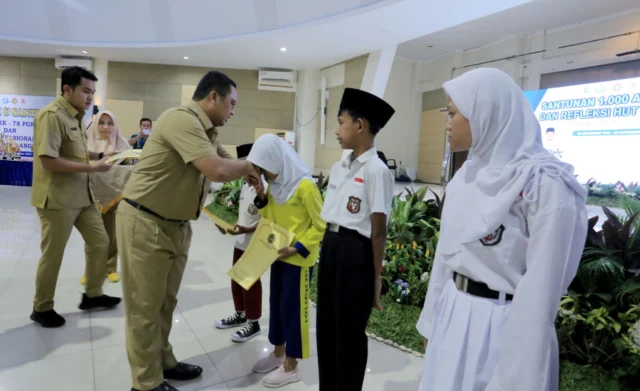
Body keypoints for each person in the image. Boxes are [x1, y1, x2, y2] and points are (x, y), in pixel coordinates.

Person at [416, 68, 588, 391]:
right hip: (453, 315)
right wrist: (432, 324)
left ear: (485, 112)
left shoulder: (545, 185)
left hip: (504, 328)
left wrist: (516, 372)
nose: (447, 123)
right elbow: (446, 256)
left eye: (453, 113)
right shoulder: (466, 177)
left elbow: (541, 291)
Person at [116, 70, 260, 391]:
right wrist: (251, 167)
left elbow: (232, 160)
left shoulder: (206, 131)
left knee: (165, 302)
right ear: (213, 97)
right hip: (146, 221)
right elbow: (219, 169)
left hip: (175, 226)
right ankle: (146, 383)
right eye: (231, 104)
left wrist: (261, 161)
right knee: (145, 307)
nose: (233, 112)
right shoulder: (181, 120)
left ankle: (163, 361)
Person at [30, 66, 122, 328]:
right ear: (67, 89)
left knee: (101, 242)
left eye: (92, 92)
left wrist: (98, 157)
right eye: (85, 91)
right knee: (53, 255)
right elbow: (49, 161)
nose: (90, 97)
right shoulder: (52, 116)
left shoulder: (78, 117)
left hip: (83, 196)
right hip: (57, 199)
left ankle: (92, 294)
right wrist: (93, 167)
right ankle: (42, 307)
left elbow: (74, 153)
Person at [316, 88, 396, 391]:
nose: (337, 131)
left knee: (349, 333)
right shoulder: (339, 167)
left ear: (360, 125)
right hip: (332, 247)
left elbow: (378, 231)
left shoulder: (377, 171)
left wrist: (376, 276)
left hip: (356, 254)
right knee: (327, 327)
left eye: (340, 122)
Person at [248, 134, 326, 388]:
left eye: (265, 169)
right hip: (278, 256)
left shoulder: (305, 186)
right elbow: (270, 216)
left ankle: (292, 366)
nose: (265, 174)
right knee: (278, 306)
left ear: (277, 160)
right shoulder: (276, 185)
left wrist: (297, 248)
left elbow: (321, 224)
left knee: (294, 312)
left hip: (299, 260)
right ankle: (278, 352)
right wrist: (261, 195)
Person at [214, 143, 266, 343]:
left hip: (256, 243)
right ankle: (240, 313)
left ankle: (253, 322)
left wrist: (248, 229)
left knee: (250, 282)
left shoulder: (265, 188)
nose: (244, 172)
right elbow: (242, 214)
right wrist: (225, 223)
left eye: (247, 166)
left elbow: (268, 220)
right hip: (240, 240)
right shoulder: (244, 187)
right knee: (237, 279)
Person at [81, 110, 134, 285]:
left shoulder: (123, 145)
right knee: (93, 235)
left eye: (110, 123)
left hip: (115, 197)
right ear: (96, 125)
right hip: (90, 195)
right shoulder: (86, 144)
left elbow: (129, 170)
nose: (106, 127)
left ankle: (110, 268)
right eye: (102, 123)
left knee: (112, 233)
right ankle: (91, 270)